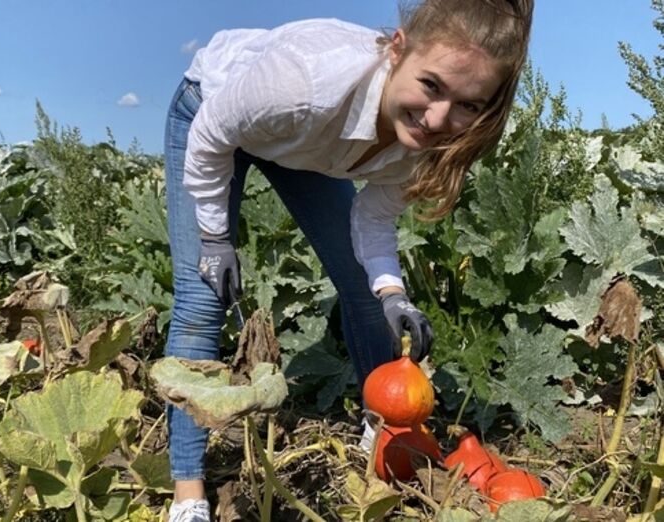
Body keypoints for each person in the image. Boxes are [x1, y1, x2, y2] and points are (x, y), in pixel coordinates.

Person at [164, 1, 534, 520]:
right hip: (213, 111)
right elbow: (210, 135)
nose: (438, 118)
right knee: (202, 301)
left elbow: (374, 221)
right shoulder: (303, 84)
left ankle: (380, 437)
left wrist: (393, 293)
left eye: (468, 104)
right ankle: (187, 494)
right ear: (398, 48)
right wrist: (214, 237)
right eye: (430, 85)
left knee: (364, 291)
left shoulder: (432, 139)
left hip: (302, 142)